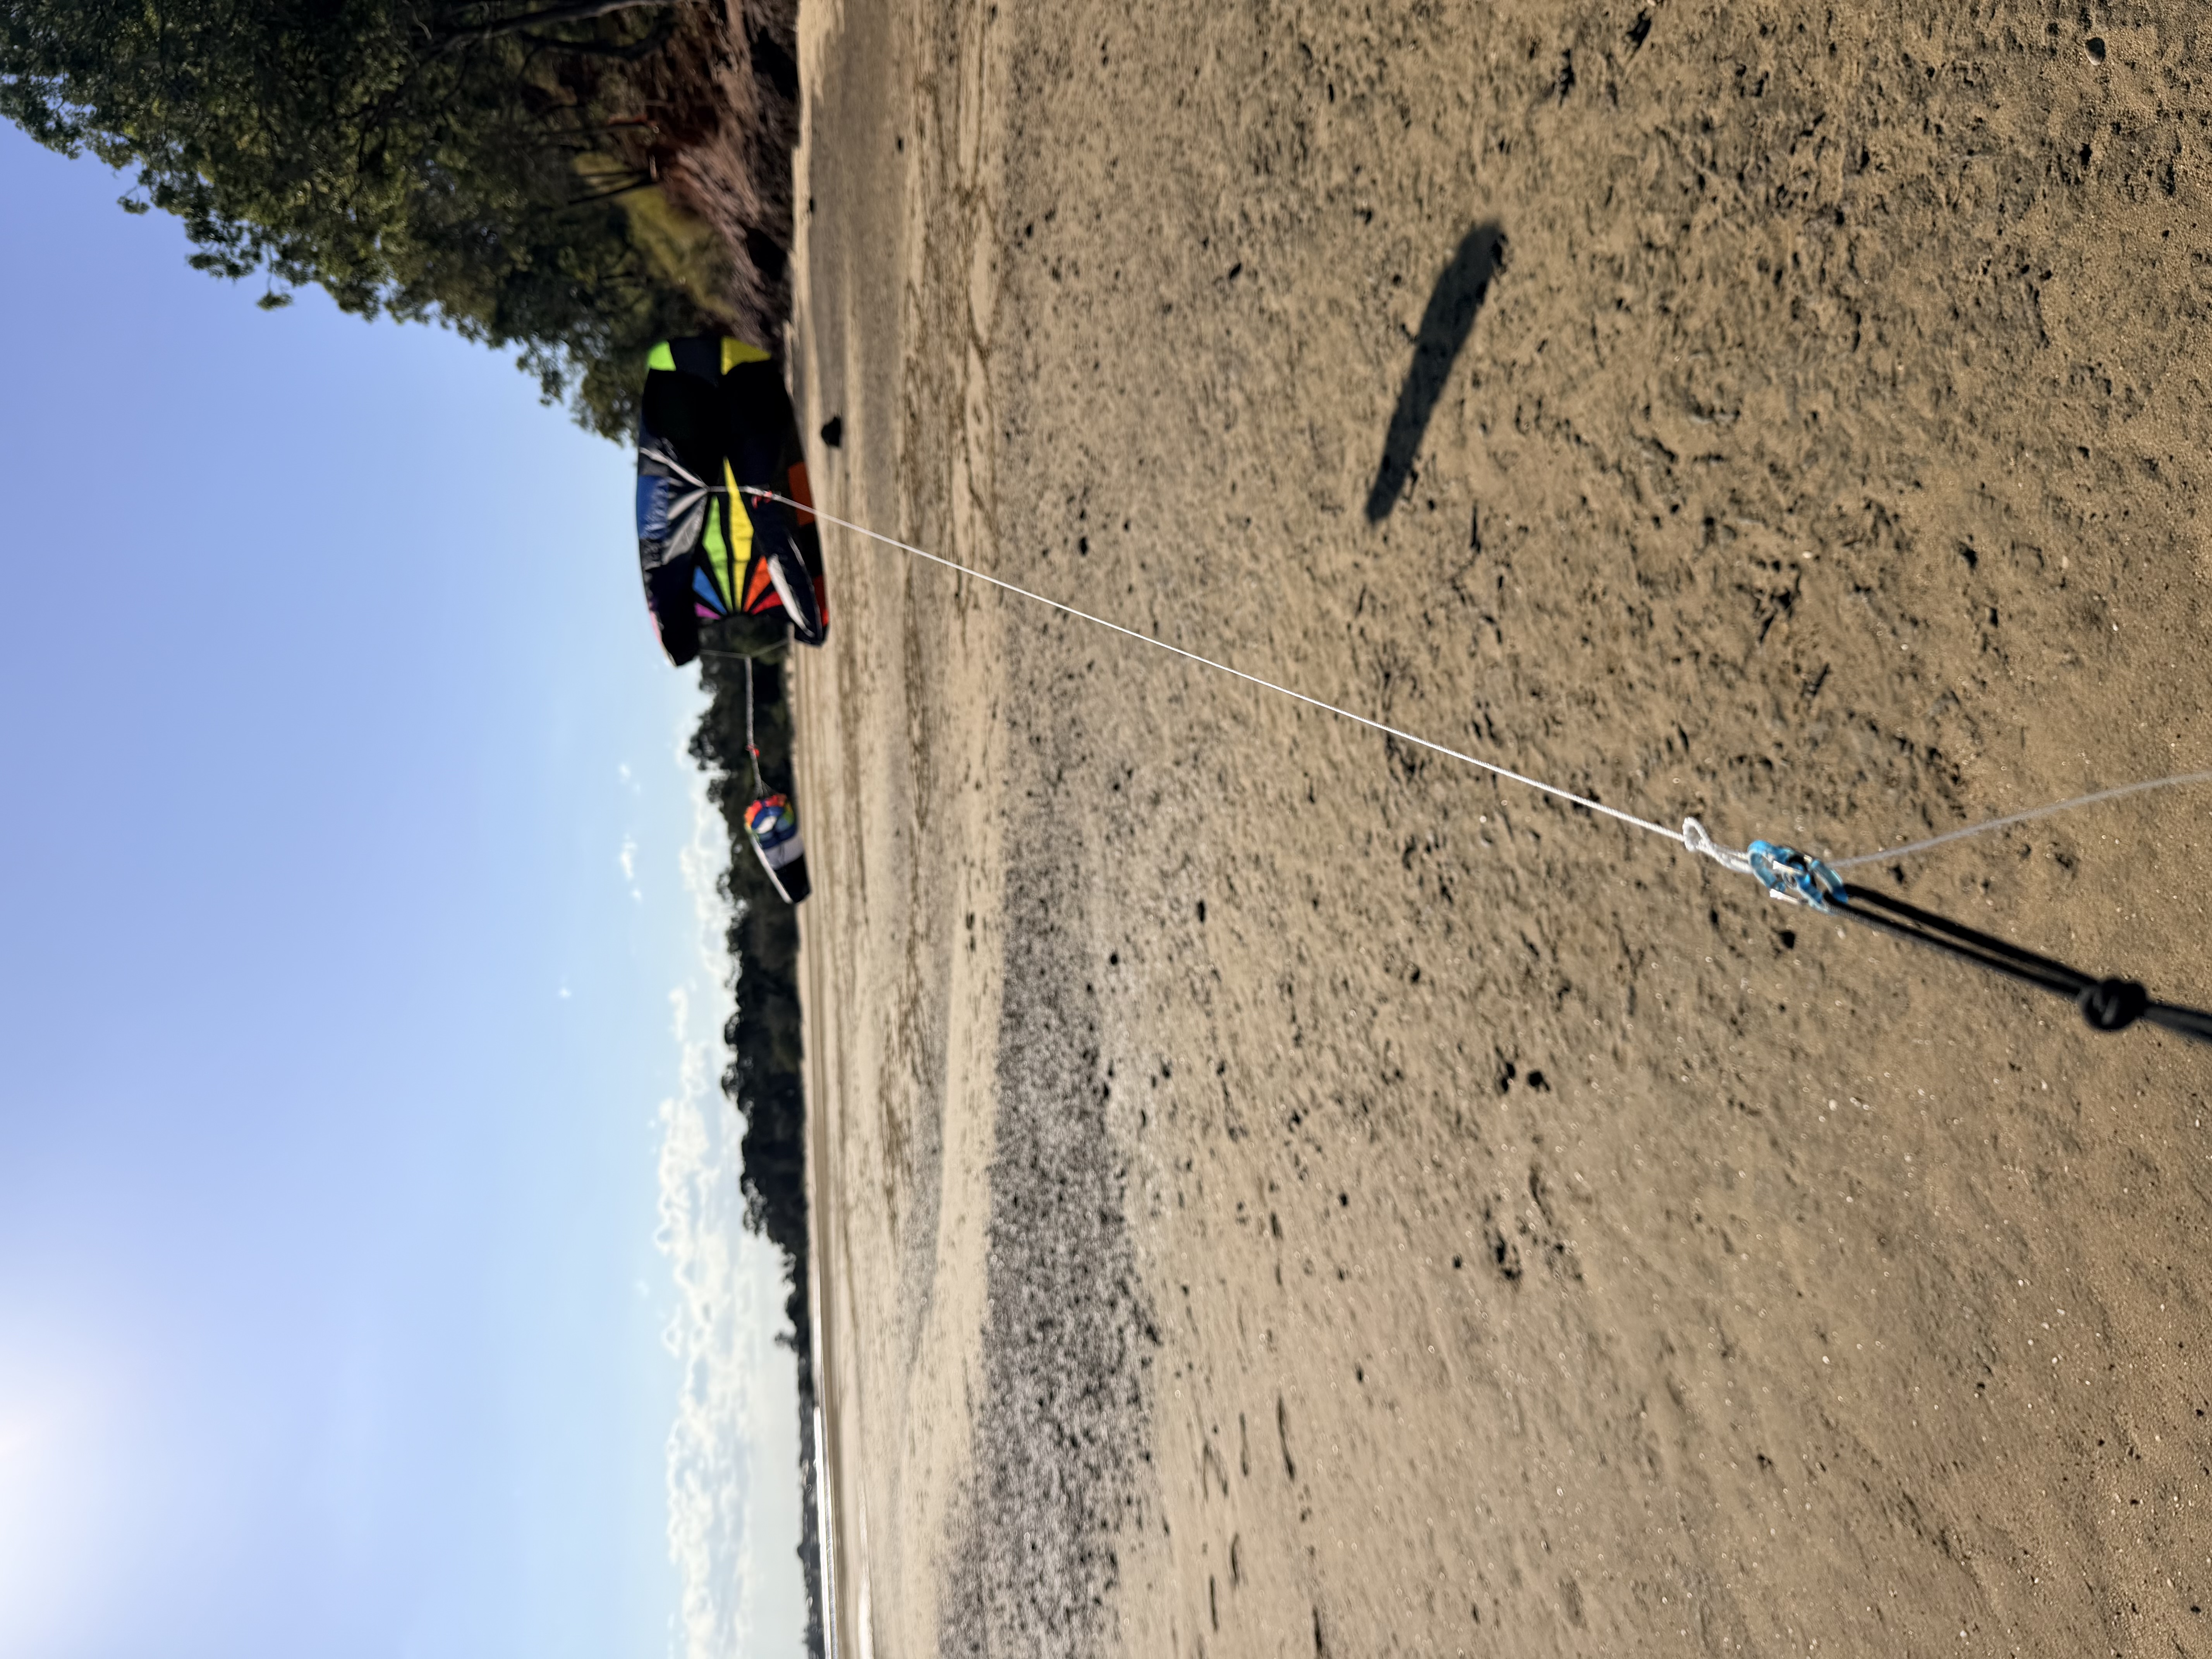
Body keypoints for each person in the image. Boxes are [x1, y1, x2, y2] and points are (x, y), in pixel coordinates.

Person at [633, 336, 828, 665]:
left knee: (768, 500)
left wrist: (677, 649)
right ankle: (811, 623)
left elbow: (657, 546)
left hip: (678, 378)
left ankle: (811, 623)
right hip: (746, 368)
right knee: (771, 497)